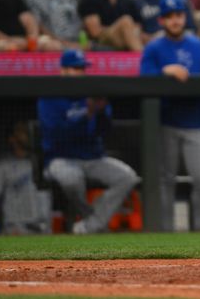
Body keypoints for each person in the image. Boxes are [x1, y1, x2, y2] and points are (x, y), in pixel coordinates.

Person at [139, 0, 200, 231]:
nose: (175, 20)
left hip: (195, 121)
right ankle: (165, 232)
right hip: (165, 121)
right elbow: (142, 79)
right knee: (165, 181)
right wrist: (164, 70)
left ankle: (198, 231)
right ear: (161, 20)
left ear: (185, 17)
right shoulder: (154, 47)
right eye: (169, 16)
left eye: (179, 15)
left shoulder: (198, 44)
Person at [38, 49, 139, 234]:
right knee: (71, 179)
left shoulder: (91, 92)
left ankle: (90, 226)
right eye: (75, 68)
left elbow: (104, 131)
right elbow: (58, 135)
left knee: (127, 177)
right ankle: (92, 218)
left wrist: (100, 112)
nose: (79, 73)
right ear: (63, 70)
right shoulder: (50, 95)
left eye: (82, 68)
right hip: (61, 158)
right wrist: (88, 114)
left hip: (93, 158)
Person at [0, 120, 49, 235]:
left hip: (42, 229)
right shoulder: (2, 166)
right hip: (15, 229)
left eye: (26, 131)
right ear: (11, 138)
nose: (26, 134)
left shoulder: (42, 162)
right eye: (21, 131)